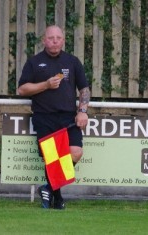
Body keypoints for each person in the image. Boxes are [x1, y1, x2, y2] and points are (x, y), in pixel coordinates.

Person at [17, 25, 90, 209]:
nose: (55, 41)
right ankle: (56, 198)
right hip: (44, 117)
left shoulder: (72, 61)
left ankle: (48, 187)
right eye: (51, 38)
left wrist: (82, 111)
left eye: (58, 37)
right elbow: (22, 89)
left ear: (63, 40)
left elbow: (84, 89)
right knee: (52, 159)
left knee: (75, 152)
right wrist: (46, 85)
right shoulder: (34, 62)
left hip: (68, 118)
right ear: (44, 40)